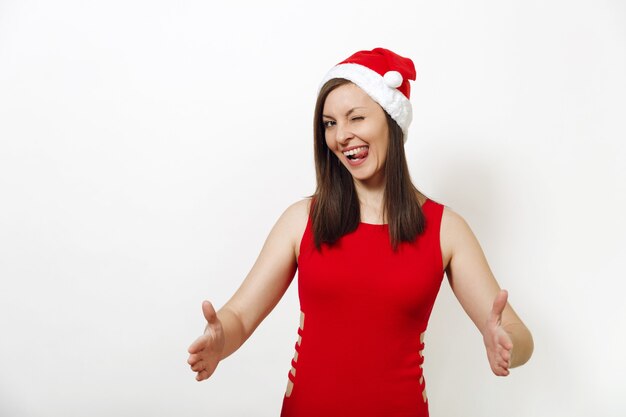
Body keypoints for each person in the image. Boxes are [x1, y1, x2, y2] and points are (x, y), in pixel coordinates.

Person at [187, 47, 534, 416]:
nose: (341, 136)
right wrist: (219, 339)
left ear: (390, 120)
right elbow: (239, 316)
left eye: (356, 118)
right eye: (330, 123)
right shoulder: (302, 219)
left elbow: (516, 332)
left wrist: (505, 342)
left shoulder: (446, 230)